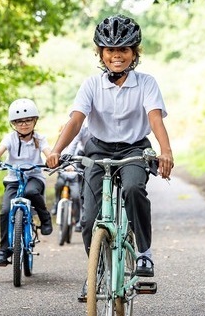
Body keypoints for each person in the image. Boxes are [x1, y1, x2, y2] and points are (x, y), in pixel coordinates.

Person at [46, 14, 174, 299]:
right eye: (110, 50)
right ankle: (97, 272)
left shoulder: (146, 83)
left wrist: (165, 151)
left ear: (134, 53)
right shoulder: (91, 85)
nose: (117, 56)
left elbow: (155, 119)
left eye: (123, 50)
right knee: (89, 217)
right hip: (98, 148)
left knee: (133, 188)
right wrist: (57, 149)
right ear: (101, 54)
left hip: (134, 149)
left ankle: (144, 253)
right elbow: (76, 120)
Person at [0, 98, 53, 266]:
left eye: (28, 120)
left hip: (34, 177)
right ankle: (4, 250)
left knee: (31, 192)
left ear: (35, 120)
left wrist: (51, 158)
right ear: (13, 123)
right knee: (5, 211)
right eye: (19, 121)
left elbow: (48, 152)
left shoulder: (40, 138)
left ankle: (45, 218)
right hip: (14, 180)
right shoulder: (10, 138)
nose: (24, 124)